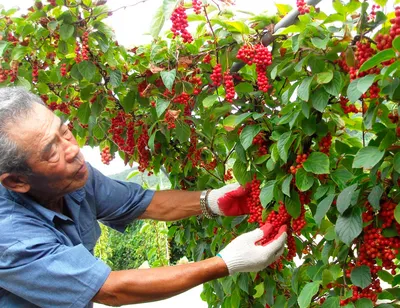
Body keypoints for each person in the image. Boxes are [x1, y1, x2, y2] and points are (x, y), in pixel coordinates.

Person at [0, 87, 287, 308]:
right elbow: (111, 289)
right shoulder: (9, 236)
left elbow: (140, 203)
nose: (73, 149)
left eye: (65, 131)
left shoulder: (72, 177)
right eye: (51, 151)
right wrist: (228, 262)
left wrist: (211, 201)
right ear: (17, 180)